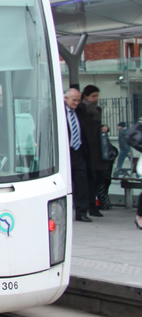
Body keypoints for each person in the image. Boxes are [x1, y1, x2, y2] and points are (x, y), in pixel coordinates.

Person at [77, 85, 104, 218]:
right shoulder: (80, 109)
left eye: (97, 96)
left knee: (95, 178)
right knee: (84, 179)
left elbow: (97, 127)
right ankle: (85, 206)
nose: (95, 99)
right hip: (84, 148)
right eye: (93, 96)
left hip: (95, 149)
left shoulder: (97, 110)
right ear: (86, 96)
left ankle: (93, 205)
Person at [65, 88, 92, 222]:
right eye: (73, 100)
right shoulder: (58, 113)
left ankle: (81, 212)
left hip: (78, 151)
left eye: (78, 100)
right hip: (65, 152)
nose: (76, 103)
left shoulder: (80, 112)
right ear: (65, 98)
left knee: (81, 182)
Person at [98, 125, 116, 211]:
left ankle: (105, 204)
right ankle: (105, 204)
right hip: (104, 167)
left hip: (104, 166)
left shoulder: (103, 138)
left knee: (103, 184)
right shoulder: (101, 137)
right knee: (103, 184)